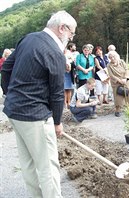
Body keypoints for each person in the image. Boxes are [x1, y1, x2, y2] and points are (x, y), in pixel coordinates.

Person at [1, 10, 77, 198]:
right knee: (48, 166)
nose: (71, 37)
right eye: (72, 33)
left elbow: (5, 69)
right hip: (35, 116)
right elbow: (58, 94)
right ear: (62, 28)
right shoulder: (55, 52)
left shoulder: (28, 38)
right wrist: (58, 122)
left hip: (14, 112)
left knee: (28, 163)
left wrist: (10, 94)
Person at [107, 50, 129, 117]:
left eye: (113, 57)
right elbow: (111, 75)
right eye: (110, 57)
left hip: (125, 80)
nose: (112, 58)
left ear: (116, 56)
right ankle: (117, 111)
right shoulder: (109, 65)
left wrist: (126, 78)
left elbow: (127, 69)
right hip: (116, 83)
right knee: (118, 97)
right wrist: (119, 80)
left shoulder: (121, 61)